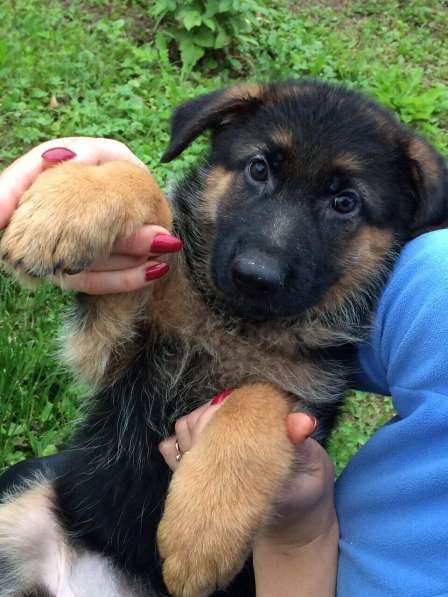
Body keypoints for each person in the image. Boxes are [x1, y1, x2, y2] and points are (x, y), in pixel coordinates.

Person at [1, 138, 448, 596]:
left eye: (344, 203)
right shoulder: (434, 289)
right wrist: (123, 198)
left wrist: (262, 432)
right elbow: (103, 356)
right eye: (259, 171)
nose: (265, 256)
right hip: (66, 521)